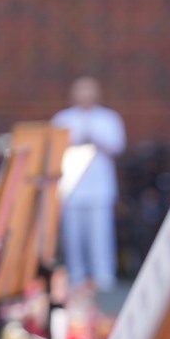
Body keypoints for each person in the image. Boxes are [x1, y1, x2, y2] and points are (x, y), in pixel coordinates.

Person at [50, 76, 127, 291]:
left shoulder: (109, 118)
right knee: (73, 236)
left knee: (101, 235)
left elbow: (117, 146)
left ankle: (103, 276)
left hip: (100, 187)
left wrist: (95, 138)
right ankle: (76, 275)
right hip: (72, 187)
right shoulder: (63, 118)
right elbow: (55, 148)